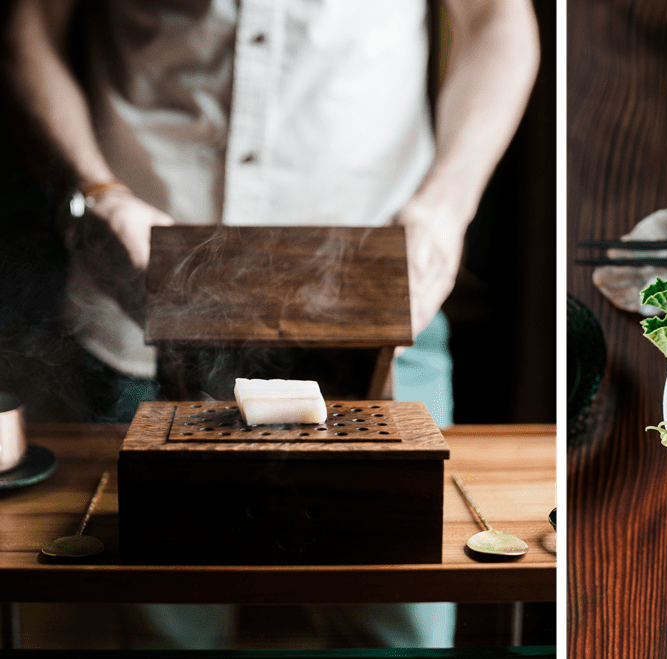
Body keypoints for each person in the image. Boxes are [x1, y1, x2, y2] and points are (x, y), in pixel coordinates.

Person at [2, 0, 540, 649]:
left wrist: (449, 204)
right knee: (166, 629)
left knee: (403, 624)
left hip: (386, 296)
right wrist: (94, 196)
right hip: (137, 291)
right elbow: (28, 21)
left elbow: (497, 19)